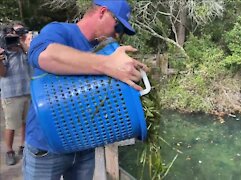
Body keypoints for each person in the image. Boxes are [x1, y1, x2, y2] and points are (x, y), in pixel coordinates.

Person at [24, 0, 148, 179]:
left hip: (84, 146)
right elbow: (44, 56)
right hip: (46, 147)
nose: (117, 35)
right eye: (118, 27)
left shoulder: (106, 51)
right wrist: (106, 65)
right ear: (102, 12)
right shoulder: (60, 31)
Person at [0, 22, 32, 166]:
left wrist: (20, 41)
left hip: (27, 92)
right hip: (11, 94)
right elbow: (3, 74)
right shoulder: (3, 53)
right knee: (11, 125)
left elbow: (32, 57)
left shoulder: (23, 50)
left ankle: (23, 146)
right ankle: (9, 151)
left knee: (27, 122)